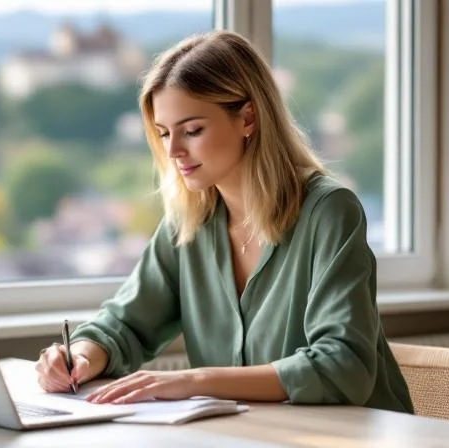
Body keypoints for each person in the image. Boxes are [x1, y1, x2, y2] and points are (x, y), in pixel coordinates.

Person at [35, 30, 413, 413]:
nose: (173, 150)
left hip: (355, 434)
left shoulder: (329, 211)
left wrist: (194, 381)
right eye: (164, 133)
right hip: (252, 436)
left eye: (192, 130)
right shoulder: (188, 224)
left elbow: (343, 366)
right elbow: (126, 323)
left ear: (248, 117)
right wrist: (79, 355)